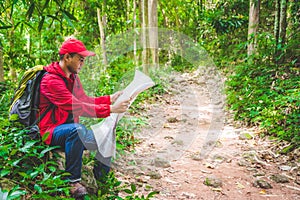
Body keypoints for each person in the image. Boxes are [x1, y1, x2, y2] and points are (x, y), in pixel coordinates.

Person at [38, 38, 130, 197]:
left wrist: (109, 99)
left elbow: (84, 100)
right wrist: (110, 109)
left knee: (105, 137)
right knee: (77, 130)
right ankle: (73, 182)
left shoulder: (72, 78)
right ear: (67, 57)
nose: (82, 63)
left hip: (67, 129)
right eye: (80, 59)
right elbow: (76, 106)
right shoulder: (51, 80)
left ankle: (101, 181)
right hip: (50, 131)